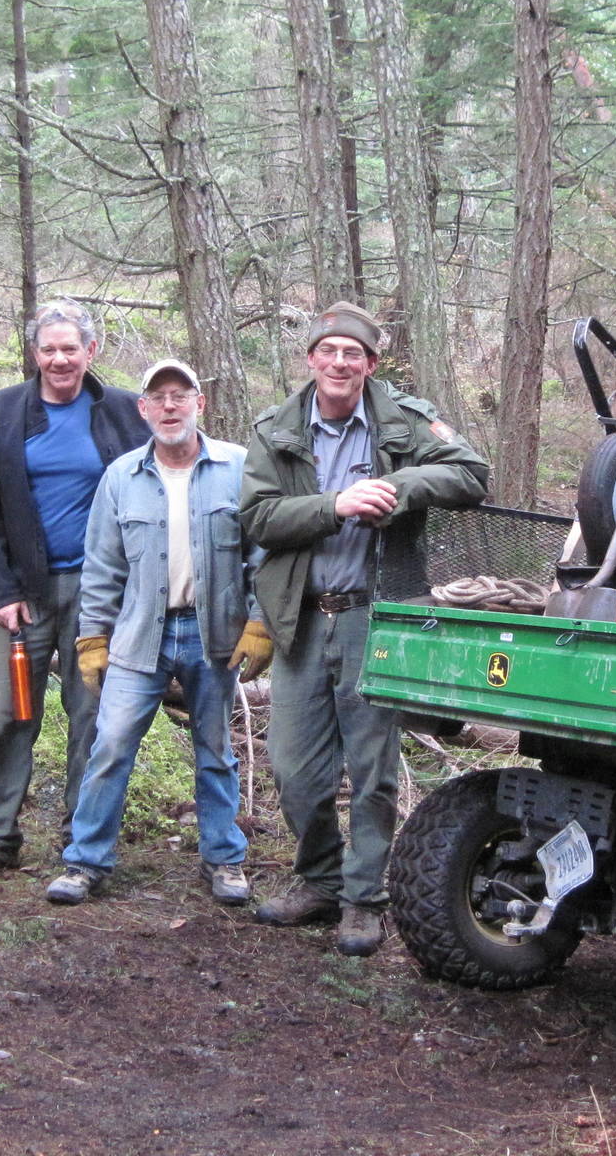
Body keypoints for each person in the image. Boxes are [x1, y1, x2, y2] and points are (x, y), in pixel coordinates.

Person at [240, 301, 489, 955]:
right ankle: (318, 879)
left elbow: (472, 473)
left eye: (355, 353)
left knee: (372, 769)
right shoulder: (277, 429)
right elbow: (258, 517)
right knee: (294, 768)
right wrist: (335, 504)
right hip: (300, 615)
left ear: (371, 364)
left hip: (375, 616)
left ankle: (363, 900)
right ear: (313, 359)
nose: (341, 362)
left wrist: (400, 486)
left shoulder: (403, 417)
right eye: (330, 351)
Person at [43, 360, 273, 907]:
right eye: (158, 397)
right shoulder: (121, 477)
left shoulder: (238, 469)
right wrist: (92, 638)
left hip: (214, 635)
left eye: (180, 395)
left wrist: (260, 622)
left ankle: (224, 859)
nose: (170, 407)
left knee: (216, 750)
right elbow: (101, 566)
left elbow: (262, 557)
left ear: (200, 403)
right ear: (142, 409)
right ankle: (85, 861)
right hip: (137, 636)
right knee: (112, 744)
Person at [0, 299, 150, 880]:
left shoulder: (121, 413)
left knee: (94, 715)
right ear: (33, 353)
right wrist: (1, 590)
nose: (59, 359)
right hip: (23, 593)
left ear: (92, 351)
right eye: (48, 348)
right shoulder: (1, 413)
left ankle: (82, 838)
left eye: (71, 348)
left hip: (102, 596)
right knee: (5, 712)